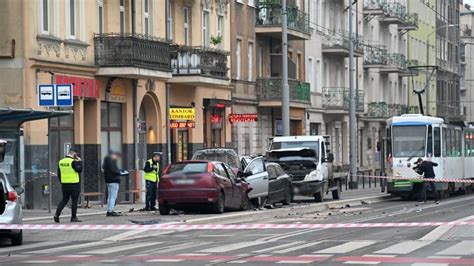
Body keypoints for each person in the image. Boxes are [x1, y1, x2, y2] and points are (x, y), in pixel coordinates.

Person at [54, 148, 82, 223]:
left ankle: (57, 214)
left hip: (65, 184)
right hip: (74, 184)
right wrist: (79, 161)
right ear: (74, 154)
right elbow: (79, 170)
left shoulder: (61, 161)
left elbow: (59, 174)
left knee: (64, 199)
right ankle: (73, 217)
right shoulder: (73, 162)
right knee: (74, 201)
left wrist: (62, 182)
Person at [103, 151, 124, 217]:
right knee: (113, 196)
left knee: (110, 196)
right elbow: (114, 171)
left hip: (108, 181)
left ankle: (109, 209)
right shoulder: (111, 162)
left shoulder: (106, 163)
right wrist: (120, 172)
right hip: (114, 180)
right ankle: (110, 211)